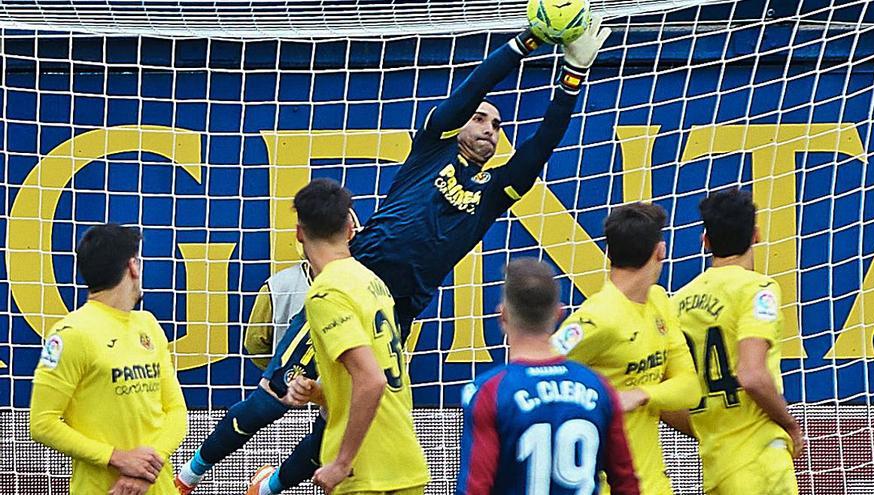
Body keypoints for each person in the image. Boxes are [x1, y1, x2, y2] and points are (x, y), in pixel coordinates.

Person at [176, 17, 612, 495]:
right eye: (481, 118)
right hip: (350, 285)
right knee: (278, 392)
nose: (489, 128)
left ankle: (272, 485)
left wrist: (573, 74)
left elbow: (541, 146)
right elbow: (470, 90)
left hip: (396, 310)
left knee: (348, 408)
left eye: (497, 125)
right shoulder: (431, 150)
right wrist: (524, 42)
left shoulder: (493, 192)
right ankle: (189, 474)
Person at [267, 178, 429, 495]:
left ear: (299, 233)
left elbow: (372, 380)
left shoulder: (326, 293)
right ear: (350, 228)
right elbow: (373, 372)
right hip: (404, 461)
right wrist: (319, 391)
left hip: (363, 471)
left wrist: (341, 463)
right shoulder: (371, 281)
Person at [550, 203, 700, 494]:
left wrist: (640, 394)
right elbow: (538, 373)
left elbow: (689, 387)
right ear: (661, 250)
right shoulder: (595, 318)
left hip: (654, 485)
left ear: (609, 253)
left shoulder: (659, 302)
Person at [457, 258, 640, 495]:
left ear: (502, 315)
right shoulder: (598, 386)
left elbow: (474, 488)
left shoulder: (489, 391)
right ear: (559, 313)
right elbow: (627, 483)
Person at [29, 224, 188, 495]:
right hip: (103, 489)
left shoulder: (148, 325)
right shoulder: (70, 334)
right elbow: (42, 423)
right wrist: (116, 458)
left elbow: (177, 411)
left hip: (157, 487)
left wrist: (145, 470)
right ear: (133, 266)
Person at [663, 188, 803, 494]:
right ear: (756, 235)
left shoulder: (677, 303)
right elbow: (752, 375)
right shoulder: (758, 289)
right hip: (760, 464)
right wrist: (791, 426)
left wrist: (707, 429)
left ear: (706, 241)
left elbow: (662, 400)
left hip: (716, 469)